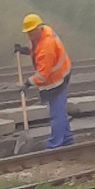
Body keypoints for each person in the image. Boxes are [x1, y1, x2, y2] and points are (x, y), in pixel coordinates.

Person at [14, 13, 74, 149]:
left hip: (57, 79)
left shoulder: (47, 47)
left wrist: (27, 83)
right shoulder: (44, 31)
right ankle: (67, 138)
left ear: (37, 29)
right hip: (61, 72)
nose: (29, 36)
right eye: (27, 33)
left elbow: (42, 75)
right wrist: (25, 50)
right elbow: (35, 47)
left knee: (56, 114)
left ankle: (54, 145)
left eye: (31, 33)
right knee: (59, 110)